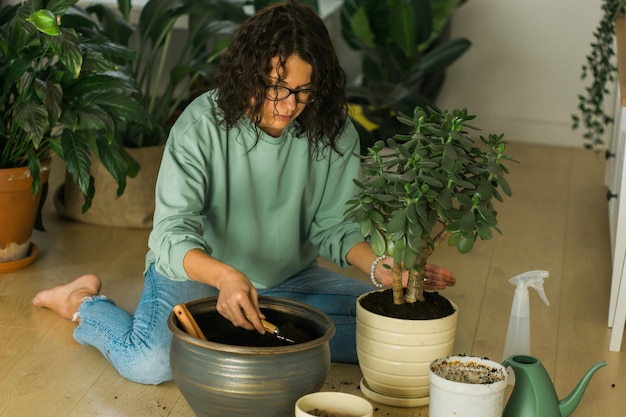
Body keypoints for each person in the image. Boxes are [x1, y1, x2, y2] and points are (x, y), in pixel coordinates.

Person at [32, 0, 456, 385]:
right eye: (275, 88)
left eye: (303, 92)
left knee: (390, 330)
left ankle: (235, 335)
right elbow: (170, 235)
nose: (288, 106)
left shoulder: (333, 129)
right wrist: (226, 276)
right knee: (151, 363)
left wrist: (381, 267)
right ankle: (83, 301)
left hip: (287, 280)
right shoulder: (200, 125)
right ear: (247, 73)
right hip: (198, 277)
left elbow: (335, 227)